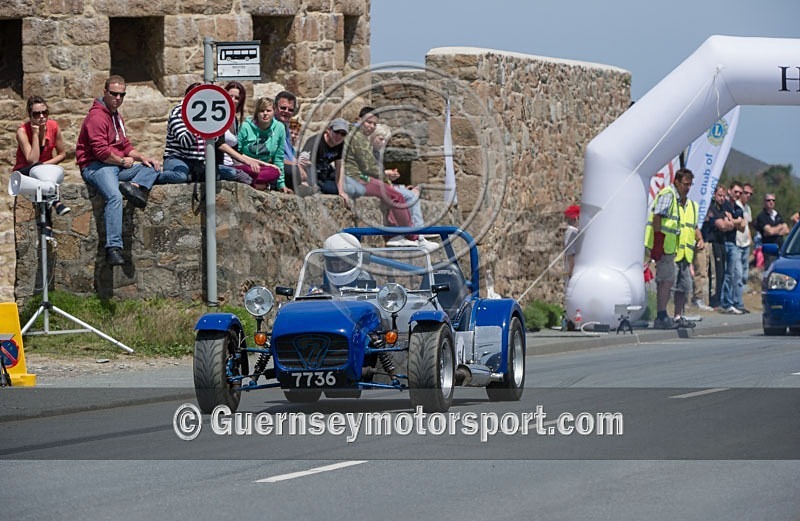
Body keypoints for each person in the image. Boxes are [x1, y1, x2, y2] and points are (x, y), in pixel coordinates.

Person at [75, 75, 160, 266]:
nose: (118, 98)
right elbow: (100, 152)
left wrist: (142, 158)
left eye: (122, 95)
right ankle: (113, 248)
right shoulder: (96, 117)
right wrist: (122, 161)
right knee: (113, 196)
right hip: (96, 166)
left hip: (114, 166)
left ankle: (134, 186)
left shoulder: (116, 116)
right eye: (114, 94)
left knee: (153, 167)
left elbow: (125, 145)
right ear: (105, 93)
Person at [343, 107, 419, 247]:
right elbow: (369, 166)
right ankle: (411, 237)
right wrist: (386, 180)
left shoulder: (354, 134)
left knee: (392, 194)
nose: (371, 126)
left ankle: (399, 234)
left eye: (374, 124)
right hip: (356, 178)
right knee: (396, 196)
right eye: (368, 122)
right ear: (359, 120)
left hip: (356, 177)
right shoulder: (357, 137)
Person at [159, 82, 251, 185]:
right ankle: (156, 177)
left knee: (235, 174)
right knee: (180, 177)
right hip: (178, 158)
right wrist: (196, 123)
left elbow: (215, 139)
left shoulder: (207, 113)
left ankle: (193, 176)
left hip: (199, 162)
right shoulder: (178, 112)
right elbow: (185, 142)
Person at [370, 123, 436, 249]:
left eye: (385, 140)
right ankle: (418, 234)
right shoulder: (368, 152)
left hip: (382, 185)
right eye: (380, 139)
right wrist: (386, 174)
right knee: (410, 196)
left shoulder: (377, 153)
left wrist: (394, 181)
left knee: (412, 193)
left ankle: (419, 232)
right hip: (374, 186)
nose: (383, 142)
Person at [644, 168, 695, 329]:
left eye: (690, 184)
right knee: (666, 281)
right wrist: (658, 240)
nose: (687, 188)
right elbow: (657, 216)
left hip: (670, 247)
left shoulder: (678, 198)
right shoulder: (668, 194)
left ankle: (666, 315)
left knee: (669, 281)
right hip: (664, 246)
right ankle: (661, 316)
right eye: (685, 184)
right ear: (677, 182)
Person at [13, 95, 70, 216]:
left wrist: (43, 166)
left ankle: (47, 230)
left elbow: (62, 154)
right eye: (36, 114)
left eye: (45, 112)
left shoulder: (53, 126)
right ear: (30, 116)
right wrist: (35, 134)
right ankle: (56, 202)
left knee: (44, 181)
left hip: (44, 170)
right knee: (45, 182)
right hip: (24, 173)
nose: (42, 117)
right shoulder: (22, 131)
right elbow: (32, 160)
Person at [237, 97, 286, 191]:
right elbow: (236, 151)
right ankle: (259, 185)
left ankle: (250, 183)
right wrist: (250, 162)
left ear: (274, 112)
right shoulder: (245, 126)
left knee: (275, 171)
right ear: (257, 113)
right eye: (261, 111)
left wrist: (281, 184)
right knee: (241, 171)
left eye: (268, 110)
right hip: (246, 165)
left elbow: (278, 157)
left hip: (263, 169)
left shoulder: (279, 128)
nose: (265, 114)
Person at [300, 118, 349, 199]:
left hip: (325, 174)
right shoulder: (315, 142)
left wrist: (341, 191)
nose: (339, 136)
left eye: (343, 134)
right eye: (336, 132)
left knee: (348, 188)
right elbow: (302, 163)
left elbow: (339, 167)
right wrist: (305, 183)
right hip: (312, 176)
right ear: (328, 130)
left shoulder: (341, 145)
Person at [718, 183, 745, 314]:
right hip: (723, 242)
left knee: (734, 274)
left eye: (740, 192)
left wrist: (733, 221)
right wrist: (736, 222)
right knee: (725, 273)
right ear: (729, 191)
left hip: (733, 243)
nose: (738, 194)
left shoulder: (738, 207)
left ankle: (732, 301)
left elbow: (743, 226)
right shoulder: (725, 205)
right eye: (736, 191)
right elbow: (725, 223)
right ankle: (725, 302)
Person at [702, 185, 729, 309]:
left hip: (722, 242)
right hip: (712, 243)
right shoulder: (711, 208)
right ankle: (713, 300)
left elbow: (734, 223)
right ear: (714, 195)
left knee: (722, 272)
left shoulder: (723, 209)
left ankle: (719, 298)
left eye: (724, 196)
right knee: (715, 272)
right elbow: (722, 225)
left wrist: (730, 222)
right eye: (719, 195)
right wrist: (730, 223)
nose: (722, 198)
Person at [755, 193, 790, 269]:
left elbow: (787, 230)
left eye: (773, 200)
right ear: (764, 202)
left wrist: (773, 231)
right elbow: (770, 231)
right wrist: (780, 227)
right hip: (769, 250)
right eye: (768, 200)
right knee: (770, 270)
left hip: (781, 249)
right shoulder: (762, 216)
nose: (771, 202)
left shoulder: (777, 215)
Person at [734, 182, 754, 308]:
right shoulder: (736, 206)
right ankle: (738, 303)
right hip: (737, 242)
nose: (747, 195)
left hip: (746, 243)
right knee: (738, 273)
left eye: (750, 194)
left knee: (745, 274)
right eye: (745, 193)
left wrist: (750, 239)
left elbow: (748, 225)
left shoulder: (747, 208)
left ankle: (740, 300)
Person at [563, 204, 580, 280]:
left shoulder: (572, 232)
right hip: (573, 270)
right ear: (576, 218)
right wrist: (571, 270)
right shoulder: (571, 233)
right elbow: (570, 252)